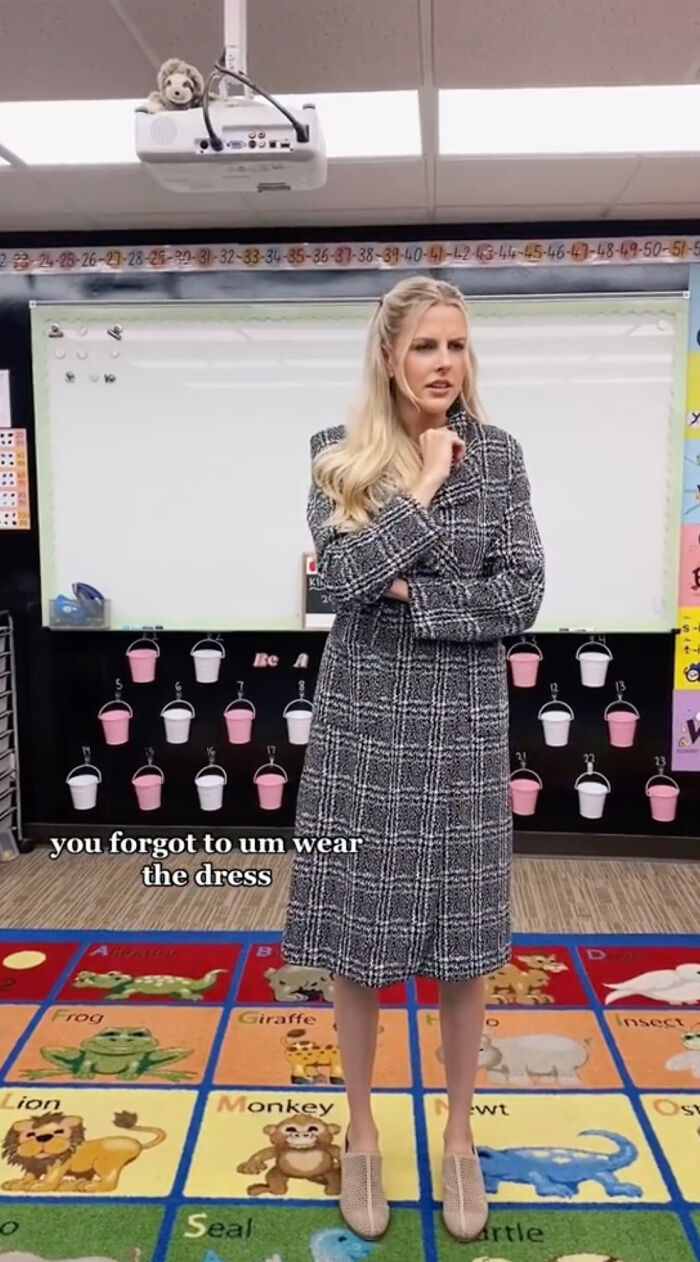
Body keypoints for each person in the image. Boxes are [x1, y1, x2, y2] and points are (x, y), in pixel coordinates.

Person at [281, 275, 545, 1242]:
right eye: (427, 346)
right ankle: (360, 1134)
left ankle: (461, 1135)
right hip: (364, 728)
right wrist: (425, 486)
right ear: (389, 355)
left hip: (468, 726)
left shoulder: (506, 456)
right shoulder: (336, 456)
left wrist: (412, 600)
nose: (445, 364)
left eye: (458, 346)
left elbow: (521, 597)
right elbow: (342, 583)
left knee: (465, 944)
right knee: (359, 943)